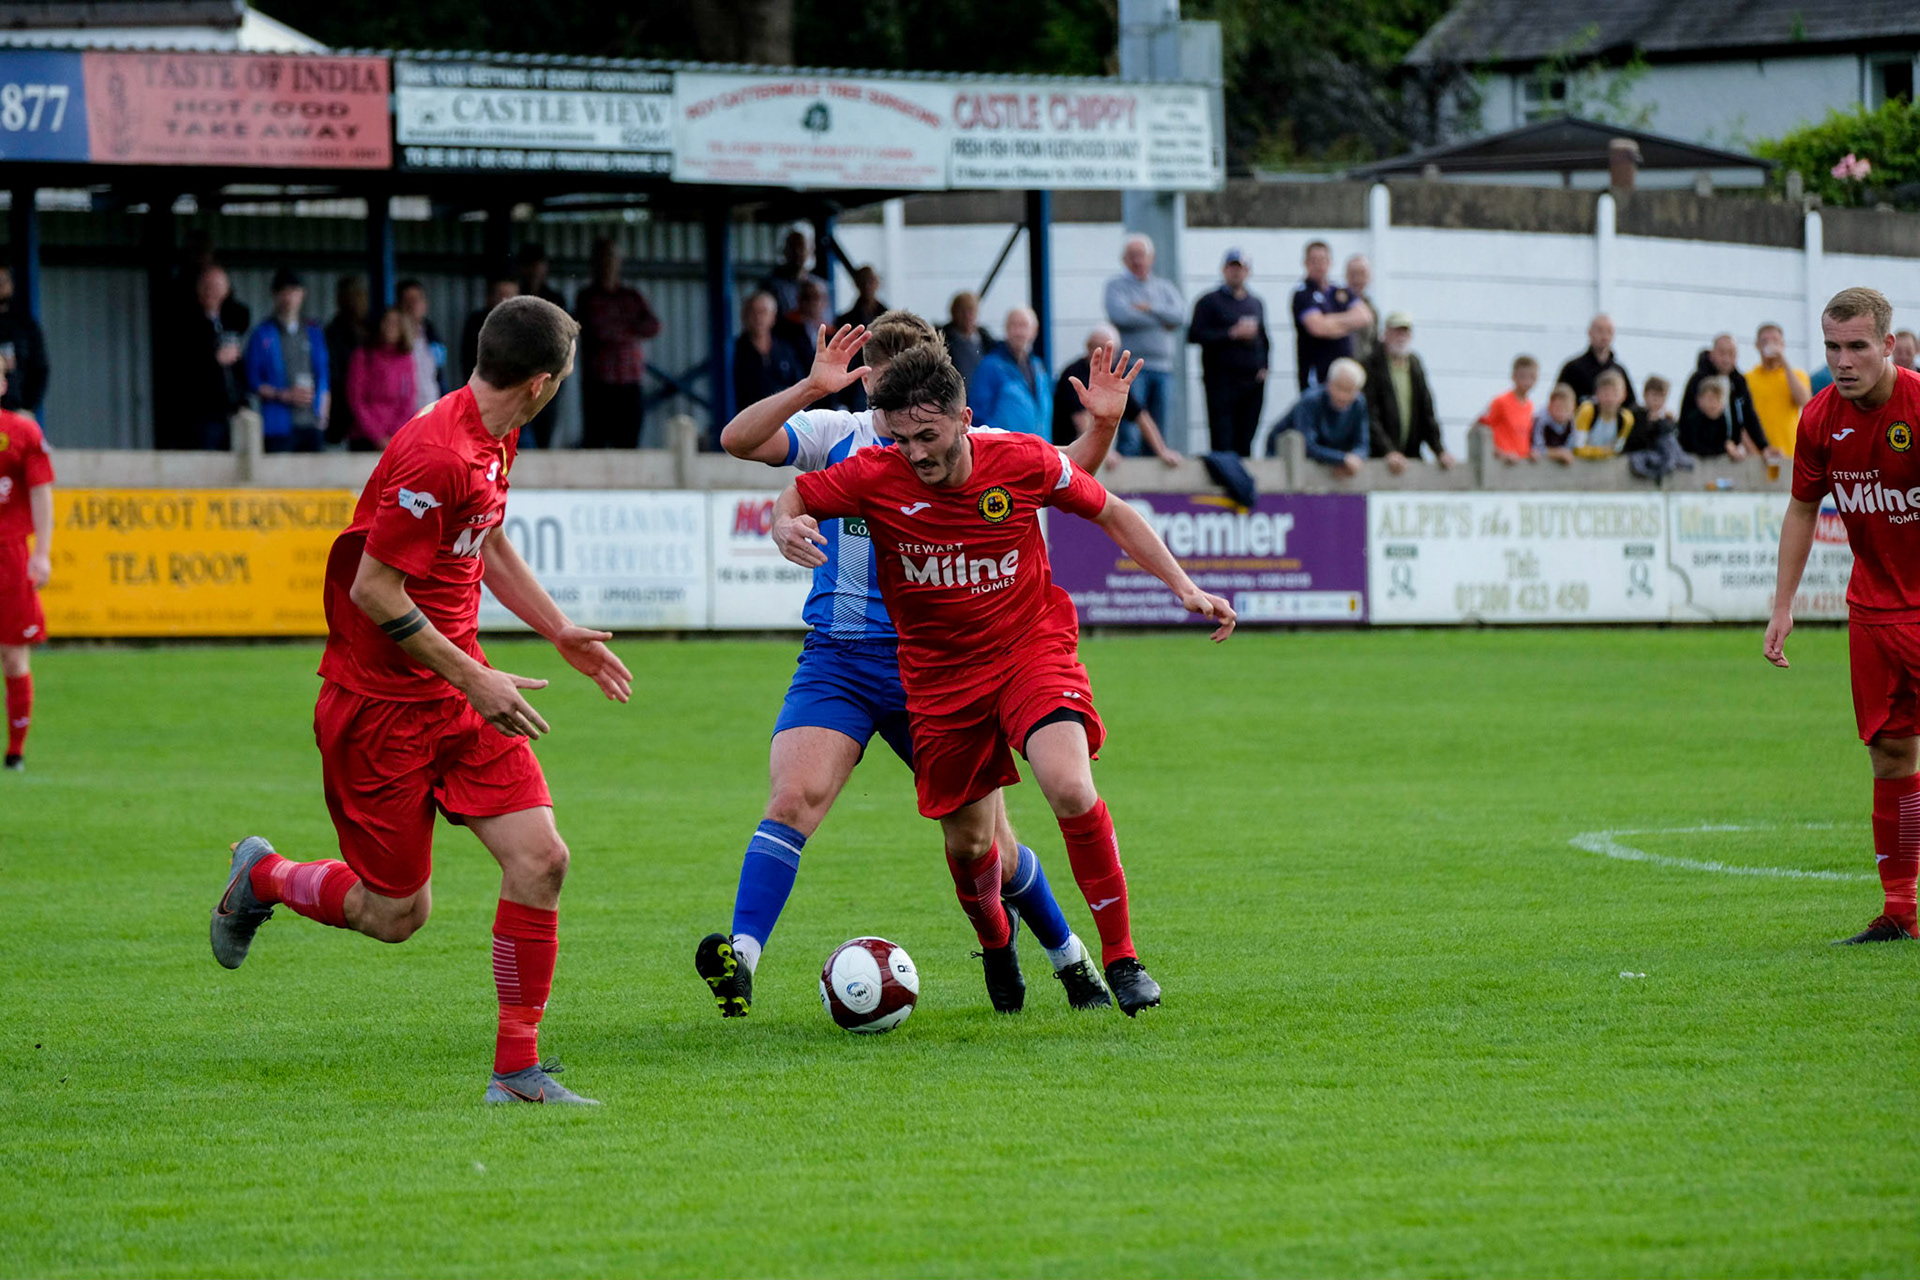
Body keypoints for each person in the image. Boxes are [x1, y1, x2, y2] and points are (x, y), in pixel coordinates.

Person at [208, 296, 634, 1104]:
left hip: (459, 692)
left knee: (543, 858)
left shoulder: (494, 435)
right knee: (395, 914)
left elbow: (487, 534)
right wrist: (475, 676)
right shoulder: (435, 453)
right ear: (541, 383)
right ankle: (263, 877)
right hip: (379, 709)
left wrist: (557, 630)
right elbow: (374, 588)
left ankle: (517, 1073)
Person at [770, 342, 1237, 1016]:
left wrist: (1184, 586)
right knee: (973, 846)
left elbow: (1111, 510)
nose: (917, 454)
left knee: (1071, 786)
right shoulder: (874, 474)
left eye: (928, 435)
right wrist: (787, 525)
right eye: (901, 439)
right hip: (937, 678)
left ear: (965, 419)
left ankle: (1122, 959)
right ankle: (996, 941)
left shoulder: (1018, 459)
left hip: (1029, 650)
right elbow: (796, 493)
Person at [707, 313, 1128, 1015]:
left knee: (986, 842)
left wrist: (1104, 428)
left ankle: (1066, 954)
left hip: (937, 662)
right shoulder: (838, 433)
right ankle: (741, 960)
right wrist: (809, 388)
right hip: (839, 656)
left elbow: (1066, 474)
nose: (888, 401)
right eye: (875, 378)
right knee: (793, 798)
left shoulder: (968, 443)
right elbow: (738, 440)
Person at [1765, 286, 1920, 944]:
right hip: (1874, 612)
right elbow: (1803, 508)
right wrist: (1782, 605)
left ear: (1889, 344)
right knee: (1891, 757)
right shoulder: (1820, 418)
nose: (1844, 360)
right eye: (1833, 347)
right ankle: (1899, 911)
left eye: (1858, 346)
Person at [0, 366, 52, 771]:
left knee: (14, 656)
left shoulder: (22, 432)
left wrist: (42, 553)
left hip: (9, 556)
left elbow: (40, 492)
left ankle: (15, 751)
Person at [574, 238, 662, 450]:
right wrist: (630, 328)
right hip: (599, 382)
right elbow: (599, 330)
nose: (607, 263)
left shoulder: (631, 296)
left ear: (619, 261)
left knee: (628, 443)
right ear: (594, 263)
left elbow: (654, 326)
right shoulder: (587, 297)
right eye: (603, 257)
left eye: (612, 257)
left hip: (629, 380)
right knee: (596, 442)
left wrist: (618, 328)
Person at [1054, 324, 1182, 467]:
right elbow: (1081, 419)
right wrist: (1100, 451)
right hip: (1068, 452)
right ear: (1088, 347)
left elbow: (1140, 414)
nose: (1102, 353)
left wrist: (1162, 450)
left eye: (1109, 350)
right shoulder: (1074, 372)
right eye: (1097, 347)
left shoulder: (1114, 375)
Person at [1189, 247, 1270, 456]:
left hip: (1251, 383)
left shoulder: (1255, 303)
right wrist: (1231, 333)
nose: (1236, 273)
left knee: (1246, 438)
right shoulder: (1209, 302)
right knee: (1223, 438)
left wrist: (1265, 367)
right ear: (1224, 270)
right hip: (1221, 383)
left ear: (1247, 271)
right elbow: (1194, 335)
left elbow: (1264, 338)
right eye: (1232, 268)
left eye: (1241, 268)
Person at [1103, 233, 1187, 428]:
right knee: (1130, 428)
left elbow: (1180, 316)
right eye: (1132, 255)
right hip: (1130, 368)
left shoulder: (1165, 288)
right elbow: (1121, 315)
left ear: (1152, 258)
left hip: (1163, 368)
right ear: (1124, 259)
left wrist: (1150, 308)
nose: (1137, 260)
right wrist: (1162, 320)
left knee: (1160, 426)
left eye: (1141, 255)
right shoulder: (1116, 286)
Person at [243, 269, 330, 455]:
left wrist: (323, 411)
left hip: (311, 422)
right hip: (278, 425)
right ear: (274, 295)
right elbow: (252, 380)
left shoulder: (314, 331)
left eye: (294, 291)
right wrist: (284, 395)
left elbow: (323, 374)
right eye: (284, 292)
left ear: (302, 294)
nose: (289, 298)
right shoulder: (262, 334)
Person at [167, 264, 250, 451]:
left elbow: (239, 367)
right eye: (206, 286)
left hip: (234, 412)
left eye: (217, 286)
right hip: (203, 414)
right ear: (197, 290)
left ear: (227, 290)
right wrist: (215, 361)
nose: (211, 291)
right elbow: (181, 370)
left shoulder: (231, 322)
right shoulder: (185, 324)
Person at [1364, 313, 1457, 473]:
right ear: (1385, 334)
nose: (1401, 337)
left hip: (1410, 454)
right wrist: (1388, 451)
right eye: (1396, 332)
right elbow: (1369, 413)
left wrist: (1439, 450)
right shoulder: (1371, 364)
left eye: (1405, 332)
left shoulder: (1414, 364)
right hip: (1379, 458)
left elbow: (1427, 410)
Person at [1290, 241, 1372, 392]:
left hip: (1345, 374)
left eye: (1323, 260)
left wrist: (1330, 320)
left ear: (1330, 262)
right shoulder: (1303, 294)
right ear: (1305, 263)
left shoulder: (1339, 291)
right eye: (1313, 261)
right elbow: (1318, 327)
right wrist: (1347, 323)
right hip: (1317, 376)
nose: (1319, 265)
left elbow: (1364, 317)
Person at [1272, 357, 1370, 475]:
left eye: (1349, 391)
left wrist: (1354, 458)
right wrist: (1341, 459)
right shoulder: (1309, 401)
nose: (1342, 396)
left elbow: (1362, 443)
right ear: (1328, 384)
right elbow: (1307, 445)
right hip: (1286, 458)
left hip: (1332, 462)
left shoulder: (1359, 404)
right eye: (1339, 387)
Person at [968, 307, 1052, 437]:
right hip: (1006, 452)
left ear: (1034, 331)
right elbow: (978, 416)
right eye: (1014, 326)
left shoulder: (1038, 367)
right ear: (1006, 329)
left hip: (1040, 450)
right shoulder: (991, 367)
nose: (1019, 332)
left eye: (1024, 326)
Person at [346, 306, 418, 452]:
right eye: (387, 322)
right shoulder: (363, 356)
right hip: (364, 437)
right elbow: (356, 399)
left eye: (396, 323)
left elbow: (408, 399)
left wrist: (394, 434)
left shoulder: (406, 359)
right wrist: (377, 437)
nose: (390, 328)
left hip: (396, 438)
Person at [732, 291, 808, 416]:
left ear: (773, 317)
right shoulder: (736, 350)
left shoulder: (785, 349)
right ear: (744, 316)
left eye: (763, 312)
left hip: (785, 420)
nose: (758, 318)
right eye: (753, 312)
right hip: (749, 421)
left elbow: (799, 386)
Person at [1681, 333, 1760, 450]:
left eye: (1731, 354)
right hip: (1700, 450)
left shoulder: (1738, 381)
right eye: (1722, 353)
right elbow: (1687, 418)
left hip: (1731, 450)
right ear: (1712, 354)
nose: (1726, 359)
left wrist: (1763, 446)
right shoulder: (1698, 379)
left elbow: (1749, 415)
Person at [1747, 323, 1812, 462]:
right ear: (1757, 345)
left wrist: (1783, 361)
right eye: (1765, 341)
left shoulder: (1797, 375)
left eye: (1775, 341)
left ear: (1783, 344)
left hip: (1789, 452)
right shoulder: (1748, 378)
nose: (1770, 345)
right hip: (1758, 455)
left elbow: (1805, 402)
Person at [324, 276, 370, 446]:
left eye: (360, 295)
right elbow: (334, 374)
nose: (358, 301)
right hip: (343, 409)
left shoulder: (373, 330)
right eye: (352, 295)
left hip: (372, 412)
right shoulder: (334, 331)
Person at [0, 266, 49, 421]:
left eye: (4, 281)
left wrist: (29, 408)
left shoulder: (24, 325)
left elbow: (40, 368)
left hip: (16, 411)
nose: (1, 286)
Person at [1557, 314, 1635, 410]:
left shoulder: (1619, 371)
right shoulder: (1573, 369)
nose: (1604, 336)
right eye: (1600, 331)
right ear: (1590, 333)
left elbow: (1631, 406)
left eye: (1609, 332)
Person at [460, 275, 518, 389]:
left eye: (511, 296)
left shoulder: (527, 326)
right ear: (490, 297)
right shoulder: (476, 324)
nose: (506, 301)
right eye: (501, 295)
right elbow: (469, 363)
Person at [1477, 356, 1538, 461]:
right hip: (1503, 465)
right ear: (1513, 377)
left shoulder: (1529, 405)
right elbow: (1478, 428)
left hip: (1520, 465)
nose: (1527, 381)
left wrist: (1530, 452)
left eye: (1531, 377)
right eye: (1523, 377)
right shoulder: (1500, 401)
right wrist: (1500, 453)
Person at [397, 280, 445, 413]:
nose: (413, 305)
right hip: (406, 414)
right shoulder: (396, 339)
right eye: (408, 300)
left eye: (417, 299)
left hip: (432, 408)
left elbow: (439, 373)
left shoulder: (432, 334)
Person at [1571, 368, 1638, 457]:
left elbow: (1617, 449)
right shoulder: (1587, 411)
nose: (1610, 399)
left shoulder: (1626, 418)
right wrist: (1603, 452)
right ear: (1596, 394)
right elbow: (1578, 448)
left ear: (1624, 395)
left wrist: (1606, 452)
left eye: (1615, 393)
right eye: (1605, 394)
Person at [759, 227, 826, 316]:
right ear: (784, 251)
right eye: (793, 248)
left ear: (809, 251)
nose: (798, 253)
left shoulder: (818, 286)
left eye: (801, 248)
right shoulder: (771, 285)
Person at [1678, 376, 1740, 459]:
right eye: (1710, 399)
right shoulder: (1693, 419)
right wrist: (1724, 447)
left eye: (1718, 400)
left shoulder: (1722, 419)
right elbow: (1697, 448)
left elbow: (1723, 440)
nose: (1714, 404)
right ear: (1699, 401)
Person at [940, 291, 993, 383]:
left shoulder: (986, 340)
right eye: (962, 311)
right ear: (954, 313)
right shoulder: (944, 341)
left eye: (971, 311)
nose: (967, 316)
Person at [1343, 255, 1379, 364]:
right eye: (1353, 274)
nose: (1357, 279)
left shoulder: (1372, 310)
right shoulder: (1335, 304)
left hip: (1365, 368)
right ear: (1346, 276)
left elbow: (1374, 342)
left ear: (1369, 278)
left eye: (1362, 274)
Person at [1533, 382, 1578, 464]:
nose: (1562, 412)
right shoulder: (1541, 420)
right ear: (1549, 406)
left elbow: (1571, 447)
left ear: (1573, 407)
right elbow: (1537, 448)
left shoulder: (1571, 423)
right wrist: (1557, 454)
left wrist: (1564, 453)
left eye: (1566, 408)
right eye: (1558, 408)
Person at [514, 243, 567, 310]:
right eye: (531, 265)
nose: (534, 270)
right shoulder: (514, 297)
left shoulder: (555, 299)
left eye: (538, 265)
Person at [835, 265, 887, 330]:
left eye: (870, 281)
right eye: (863, 281)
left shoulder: (889, 319)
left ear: (877, 283)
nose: (867, 286)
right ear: (857, 284)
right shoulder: (844, 322)